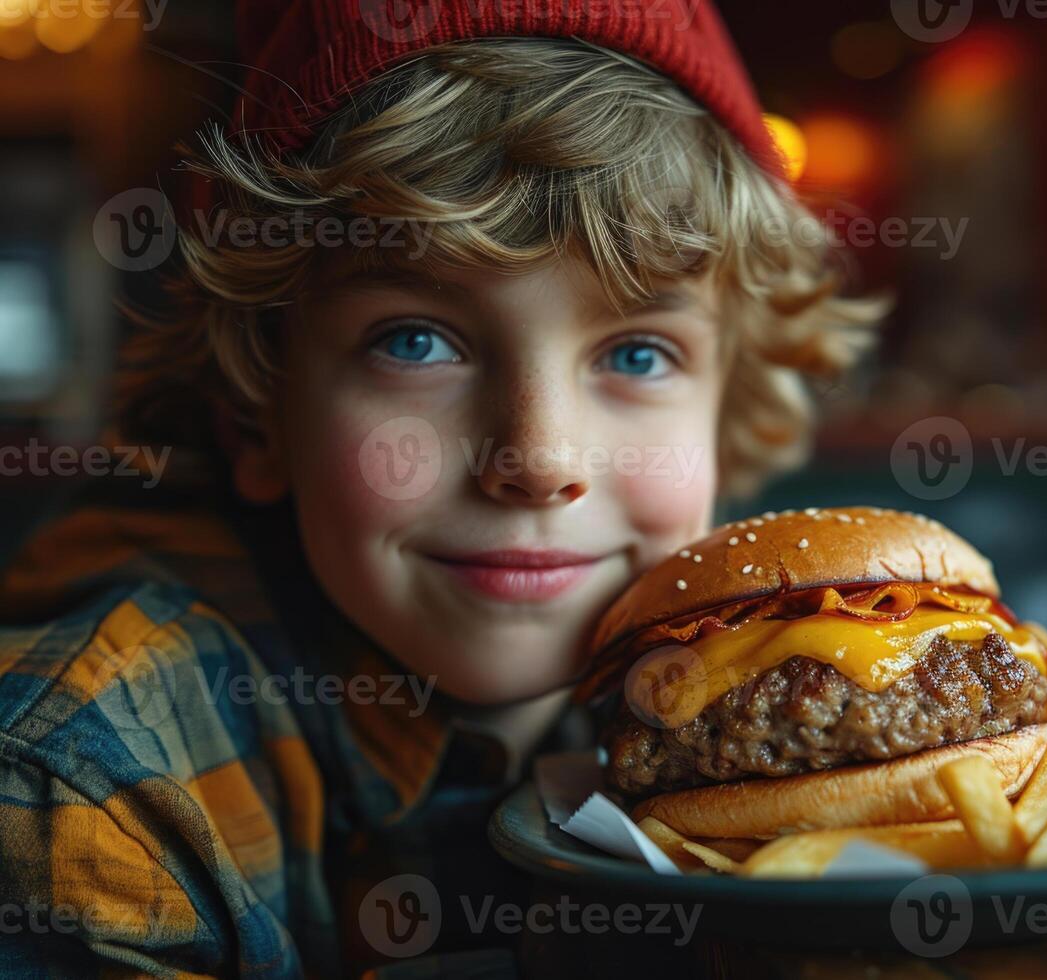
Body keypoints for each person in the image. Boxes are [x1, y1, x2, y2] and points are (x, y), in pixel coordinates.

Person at [0, 1, 885, 974]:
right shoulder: (91, 795)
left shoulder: (747, 722)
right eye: (414, 340)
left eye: (637, 351)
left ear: (728, 414)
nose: (541, 457)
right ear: (256, 413)